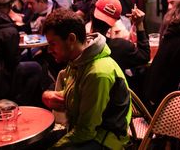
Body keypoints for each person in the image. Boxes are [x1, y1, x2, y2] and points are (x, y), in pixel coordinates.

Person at [41, 8, 131, 149]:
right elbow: (76, 95)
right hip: (84, 132)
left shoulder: (97, 73)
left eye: (53, 44)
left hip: (105, 141)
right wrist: (47, 96)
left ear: (71, 39)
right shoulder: (77, 60)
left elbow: (86, 131)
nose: (49, 50)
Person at [90, 0, 150, 71]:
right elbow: (144, 56)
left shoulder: (79, 43)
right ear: (115, 22)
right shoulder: (121, 47)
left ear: (92, 14)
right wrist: (139, 24)